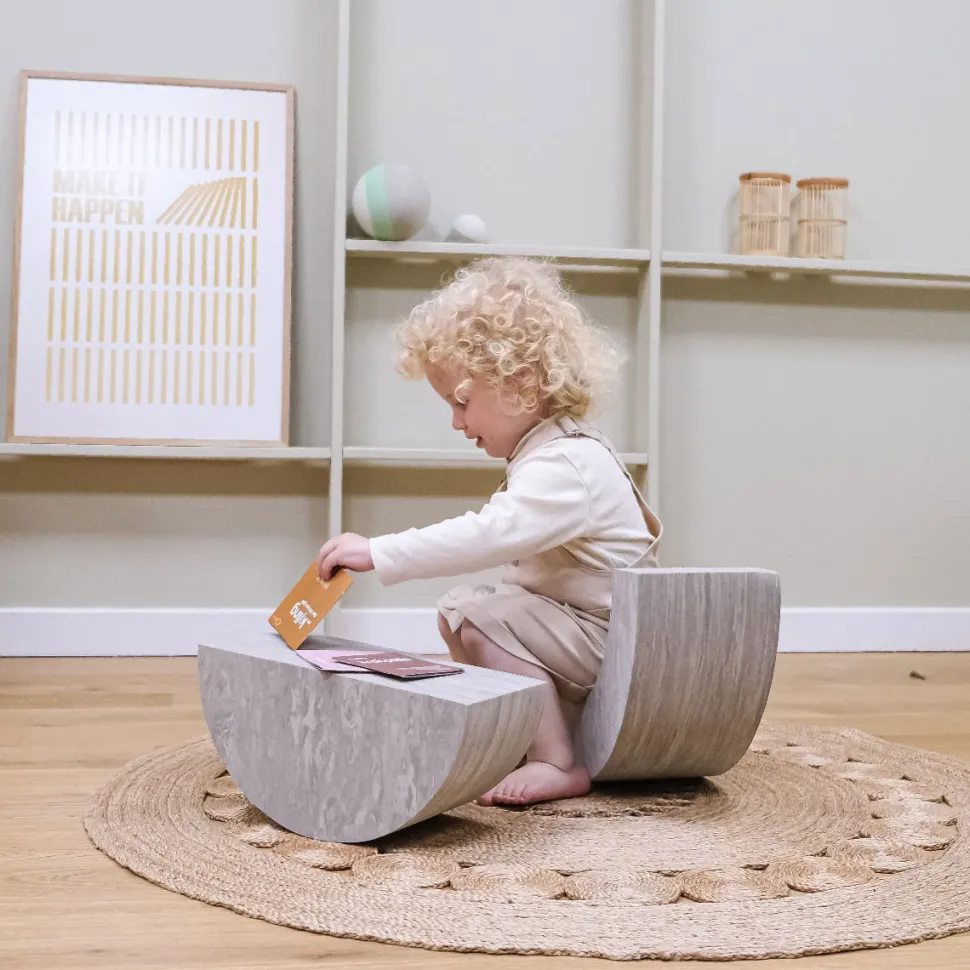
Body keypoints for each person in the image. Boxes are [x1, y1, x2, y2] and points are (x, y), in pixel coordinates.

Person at [317, 256, 662, 806]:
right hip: (589, 635)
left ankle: (556, 761)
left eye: (461, 402)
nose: (456, 422)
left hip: (617, 646)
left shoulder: (566, 465)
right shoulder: (550, 453)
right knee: (461, 612)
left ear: (521, 383)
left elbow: (487, 534)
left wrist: (380, 551)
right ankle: (525, 733)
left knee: (478, 616)